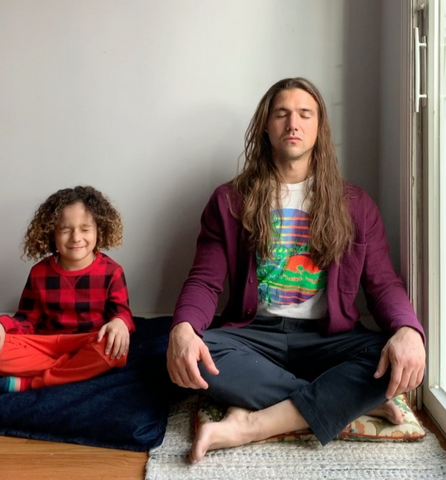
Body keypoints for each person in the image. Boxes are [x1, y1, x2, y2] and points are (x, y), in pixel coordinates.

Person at [166, 77, 426, 463]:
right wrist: (183, 329)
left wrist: (408, 330)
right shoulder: (229, 200)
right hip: (254, 337)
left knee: (393, 359)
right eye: (282, 114)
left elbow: (383, 284)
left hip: (328, 340)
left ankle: (252, 424)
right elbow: (204, 280)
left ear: (319, 129)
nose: (293, 124)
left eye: (305, 114)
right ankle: (345, 402)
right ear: (265, 127)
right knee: (194, 352)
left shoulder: (355, 204)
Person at [0, 186, 134, 392]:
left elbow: (122, 314)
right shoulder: (39, 272)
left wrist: (119, 323)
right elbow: (26, 321)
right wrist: (2, 325)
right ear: (52, 234)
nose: (75, 237)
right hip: (45, 344)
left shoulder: (112, 272)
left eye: (85, 229)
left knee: (114, 348)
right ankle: (73, 368)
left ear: (100, 230)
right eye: (65, 230)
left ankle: (34, 382)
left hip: (89, 341)